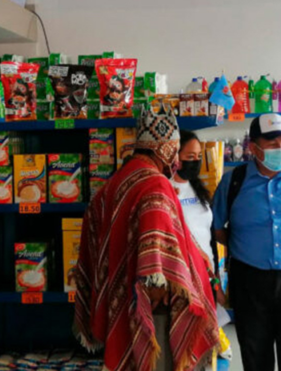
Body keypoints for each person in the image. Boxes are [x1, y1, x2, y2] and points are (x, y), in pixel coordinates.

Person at [75, 107, 218, 371]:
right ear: (165, 148)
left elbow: (94, 230)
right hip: (153, 309)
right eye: (175, 150)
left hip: (122, 300)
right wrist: (157, 282)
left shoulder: (116, 181)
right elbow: (156, 251)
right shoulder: (155, 183)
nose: (176, 160)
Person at [213, 114, 281, 371]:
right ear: (253, 147)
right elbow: (218, 229)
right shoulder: (233, 182)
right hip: (249, 283)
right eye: (272, 143)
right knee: (256, 358)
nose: (280, 148)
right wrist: (248, 246)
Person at [168, 131, 232, 364]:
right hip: (182, 278)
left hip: (207, 275)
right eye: (189, 156)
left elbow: (209, 236)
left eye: (198, 156)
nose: (194, 161)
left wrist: (216, 279)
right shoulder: (166, 188)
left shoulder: (199, 189)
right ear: (175, 157)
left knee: (207, 346)